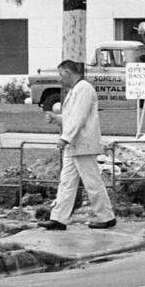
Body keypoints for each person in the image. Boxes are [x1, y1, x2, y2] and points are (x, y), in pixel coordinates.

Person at [38, 60, 116, 231]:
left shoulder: (84, 89)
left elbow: (78, 117)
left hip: (82, 144)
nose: (59, 78)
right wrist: (56, 119)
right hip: (75, 144)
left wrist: (65, 138)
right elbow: (71, 117)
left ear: (68, 72)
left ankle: (106, 216)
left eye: (60, 74)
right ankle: (58, 218)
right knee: (66, 181)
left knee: (91, 181)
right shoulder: (76, 90)